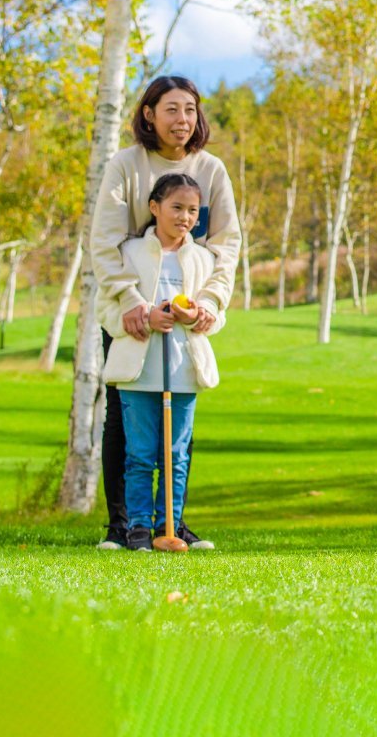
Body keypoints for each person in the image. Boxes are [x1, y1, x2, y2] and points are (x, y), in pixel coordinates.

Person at [91, 76, 239, 550]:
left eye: (191, 110)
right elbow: (104, 241)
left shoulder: (211, 169)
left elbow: (226, 246)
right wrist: (131, 304)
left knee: (180, 417)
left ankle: (170, 524)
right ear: (149, 113)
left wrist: (210, 304)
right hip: (127, 313)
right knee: (125, 417)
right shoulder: (125, 164)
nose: (183, 120)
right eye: (171, 109)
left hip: (184, 316)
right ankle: (122, 525)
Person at [102, 174, 225, 551]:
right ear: (154, 208)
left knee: (175, 453)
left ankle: (168, 525)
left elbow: (216, 312)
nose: (185, 217)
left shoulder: (203, 258)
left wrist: (200, 315)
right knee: (139, 453)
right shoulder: (129, 253)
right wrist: (143, 316)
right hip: (139, 369)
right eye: (177, 207)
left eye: (192, 210)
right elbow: (105, 308)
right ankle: (137, 528)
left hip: (183, 370)